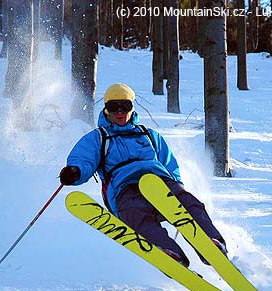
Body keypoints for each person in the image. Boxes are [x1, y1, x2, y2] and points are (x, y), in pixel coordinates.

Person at [59, 83, 227, 267]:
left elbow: (169, 164)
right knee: (135, 214)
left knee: (188, 202)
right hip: (125, 188)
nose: (120, 112)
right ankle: (169, 252)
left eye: (125, 106)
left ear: (132, 107)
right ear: (106, 110)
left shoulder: (149, 135)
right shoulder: (100, 137)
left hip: (159, 181)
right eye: (113, 107)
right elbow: (84, 159)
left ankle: (210, 242)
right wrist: (75, 171)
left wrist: (178, 187)